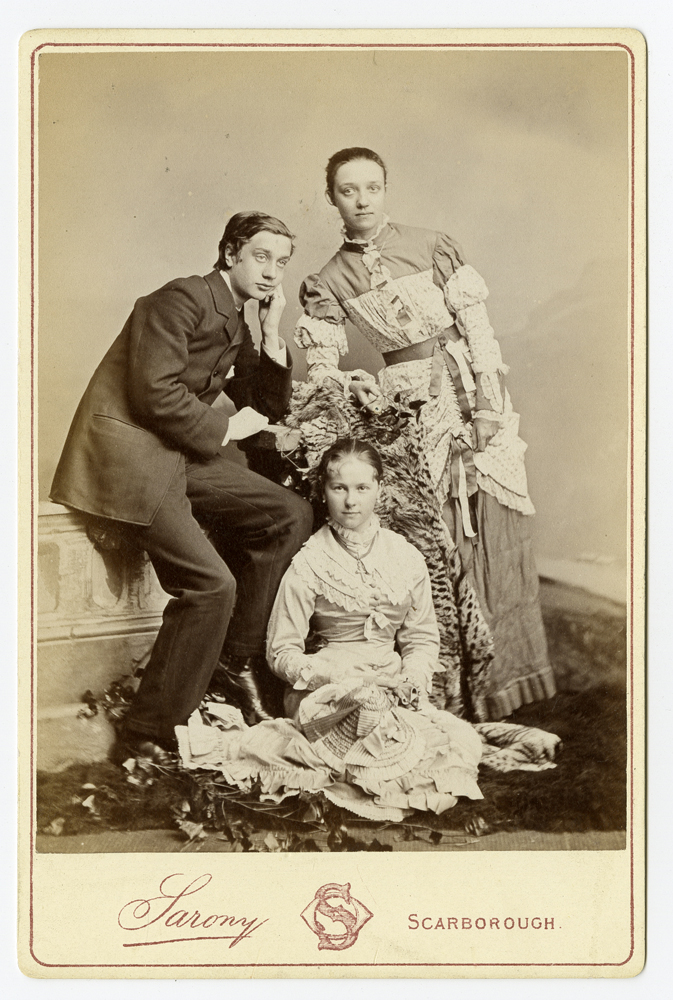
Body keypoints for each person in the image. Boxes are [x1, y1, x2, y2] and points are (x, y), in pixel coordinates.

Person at [291, 147, 555, 721]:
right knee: (441, 541)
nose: (362, 200)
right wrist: (349, 382)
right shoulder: (326, 280)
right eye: (347, 190)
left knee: (490, 523)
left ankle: (506, 686)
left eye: (372, 187)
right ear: (332, 198)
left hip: (468, 388)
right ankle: (455, 696)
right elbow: (322, 368)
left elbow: (477, 328)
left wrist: (486, 403)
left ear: (386, 189)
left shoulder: (434, 244)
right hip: (410, 405)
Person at [50, 211, 314, 759]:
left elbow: (263, 407)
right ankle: (145, 732)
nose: (271, 273)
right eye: (261, 257)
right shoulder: (181, 298)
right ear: (230, 252)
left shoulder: (238, 320)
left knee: (291, 515)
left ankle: (230, 663)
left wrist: (270, 336)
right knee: (211, 586)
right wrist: (224, 428)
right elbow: (152, 393)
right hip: (130, 457)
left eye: (282, 263)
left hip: (176, 455)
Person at [177, 438, 485, 821]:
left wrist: (412, 678)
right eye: (339, 488)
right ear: (323, 492)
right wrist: (337, 675)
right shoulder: (310, 562)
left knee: (445, 747)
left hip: (392, 683)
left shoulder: (405, 556)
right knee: (366, 736)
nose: (351, 501)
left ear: (380, 489)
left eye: (362, 488)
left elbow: (421, 636)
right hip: (327, 690)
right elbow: (281, 652)